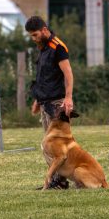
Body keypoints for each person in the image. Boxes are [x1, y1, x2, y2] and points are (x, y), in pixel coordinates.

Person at [25, 16, 74, 189]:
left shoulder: (57, 47)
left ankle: (60, 181)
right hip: (46, 102)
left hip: (57, 104)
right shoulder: (44, 48)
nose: (34, 39)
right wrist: (38, 99)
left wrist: (68, 98)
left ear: (44, 30)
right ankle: (58, 181)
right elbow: (44, 77)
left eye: (35, 35)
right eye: (31, 36)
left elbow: (68, 74)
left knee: (57, 146)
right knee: (48, 147)